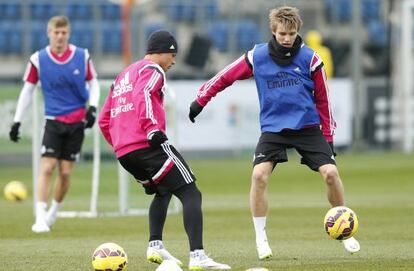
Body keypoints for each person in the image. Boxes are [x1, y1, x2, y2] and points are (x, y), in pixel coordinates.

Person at [188, 6, 360, 260]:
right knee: (259, 176)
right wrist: (201, 99)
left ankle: (345, 229)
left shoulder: (311, 59)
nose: (287, 38)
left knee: (331, 174)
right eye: (282, 33)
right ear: (273, 31)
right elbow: (225, 77)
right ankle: (261, 238)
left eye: (291, 33)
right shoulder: (257, 56)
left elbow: (324, 101)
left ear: (297, 31)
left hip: (307, 127)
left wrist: (329, 138)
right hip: (273, 129)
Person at [98, 30, 231, 270]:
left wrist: (120, 143)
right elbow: (144, 94)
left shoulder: (123, 75)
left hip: (124, 153)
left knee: (164, 190)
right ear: (165, 51)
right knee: (191, 192)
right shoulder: (153, 70)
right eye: (173, 55)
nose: (174, 61)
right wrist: (150, 129)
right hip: (148, 144)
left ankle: (155, 245)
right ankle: (198, 256)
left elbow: (104, 120)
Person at [9, 15, 100, 233]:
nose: (60, 36)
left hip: (77, 123)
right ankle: (40, 217)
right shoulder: (38, 59)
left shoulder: (82, 56)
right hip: (53, 121)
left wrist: (93, 107)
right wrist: (16, 121)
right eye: (56, 32)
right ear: (49, 33)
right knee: (47, 167)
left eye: (64, 33)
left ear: (68, 34)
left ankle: (53, 212)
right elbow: (28, 90)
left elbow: (93, 82)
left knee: (66, 173)